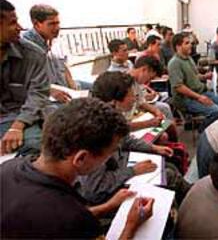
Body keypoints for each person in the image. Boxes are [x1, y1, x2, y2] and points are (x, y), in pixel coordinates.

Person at [1, 98, 154, 239]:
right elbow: (67, 220)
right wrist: (131, 225)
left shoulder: (8, 168)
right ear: (81, 158)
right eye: (110, 153)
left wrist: (106, 207)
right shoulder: (73, 219)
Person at [77, 71, 190, 205]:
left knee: (169, 164)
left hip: (120, 167)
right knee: (169, 177)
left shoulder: (110, 118)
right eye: (131, 95)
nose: (135, 99)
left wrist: (153, 147)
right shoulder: (95, 133)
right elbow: (96, 189)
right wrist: (133, 171)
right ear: (115, 102)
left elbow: (125, 139)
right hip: (110, 192)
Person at [0, 0, 49, 156]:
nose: (19, 28)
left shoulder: (33, 54)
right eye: (12, 23)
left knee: (36, 147)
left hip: (21, 116)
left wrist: (17, 126)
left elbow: (38, 94)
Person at [23, 4, 91, 101]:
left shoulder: (54, 39)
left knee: (103, 88)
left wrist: (71, 82)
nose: (57, 28)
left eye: (58, 23)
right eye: (52, 24)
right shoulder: (26, 46)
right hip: (50, 95)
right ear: (36, 24)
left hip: (68, 86)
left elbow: (63, 64)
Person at [168, 33, 218, 131]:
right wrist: (199, 97)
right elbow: (179, 87)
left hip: (198, 92)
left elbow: (194, 76)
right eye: (187, 43)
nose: (190, 45)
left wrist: (205, 76)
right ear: (178, 46)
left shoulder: (188, 58)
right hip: (185, 99)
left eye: (190, 43)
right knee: (215, 110)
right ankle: (203, 131)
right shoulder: (174, 63)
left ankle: (207, 126)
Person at [128, 57, 178, 141]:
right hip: (130, 136)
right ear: (144, 69)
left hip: (134, 128)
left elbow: (141, 102)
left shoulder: (135, 84)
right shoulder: (124, 87)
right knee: (162, 136)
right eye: (150, 78)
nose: (148, 82)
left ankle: (175, 150)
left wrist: (156, 111)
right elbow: (123, 126)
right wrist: (149, 123)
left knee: (169, 125)